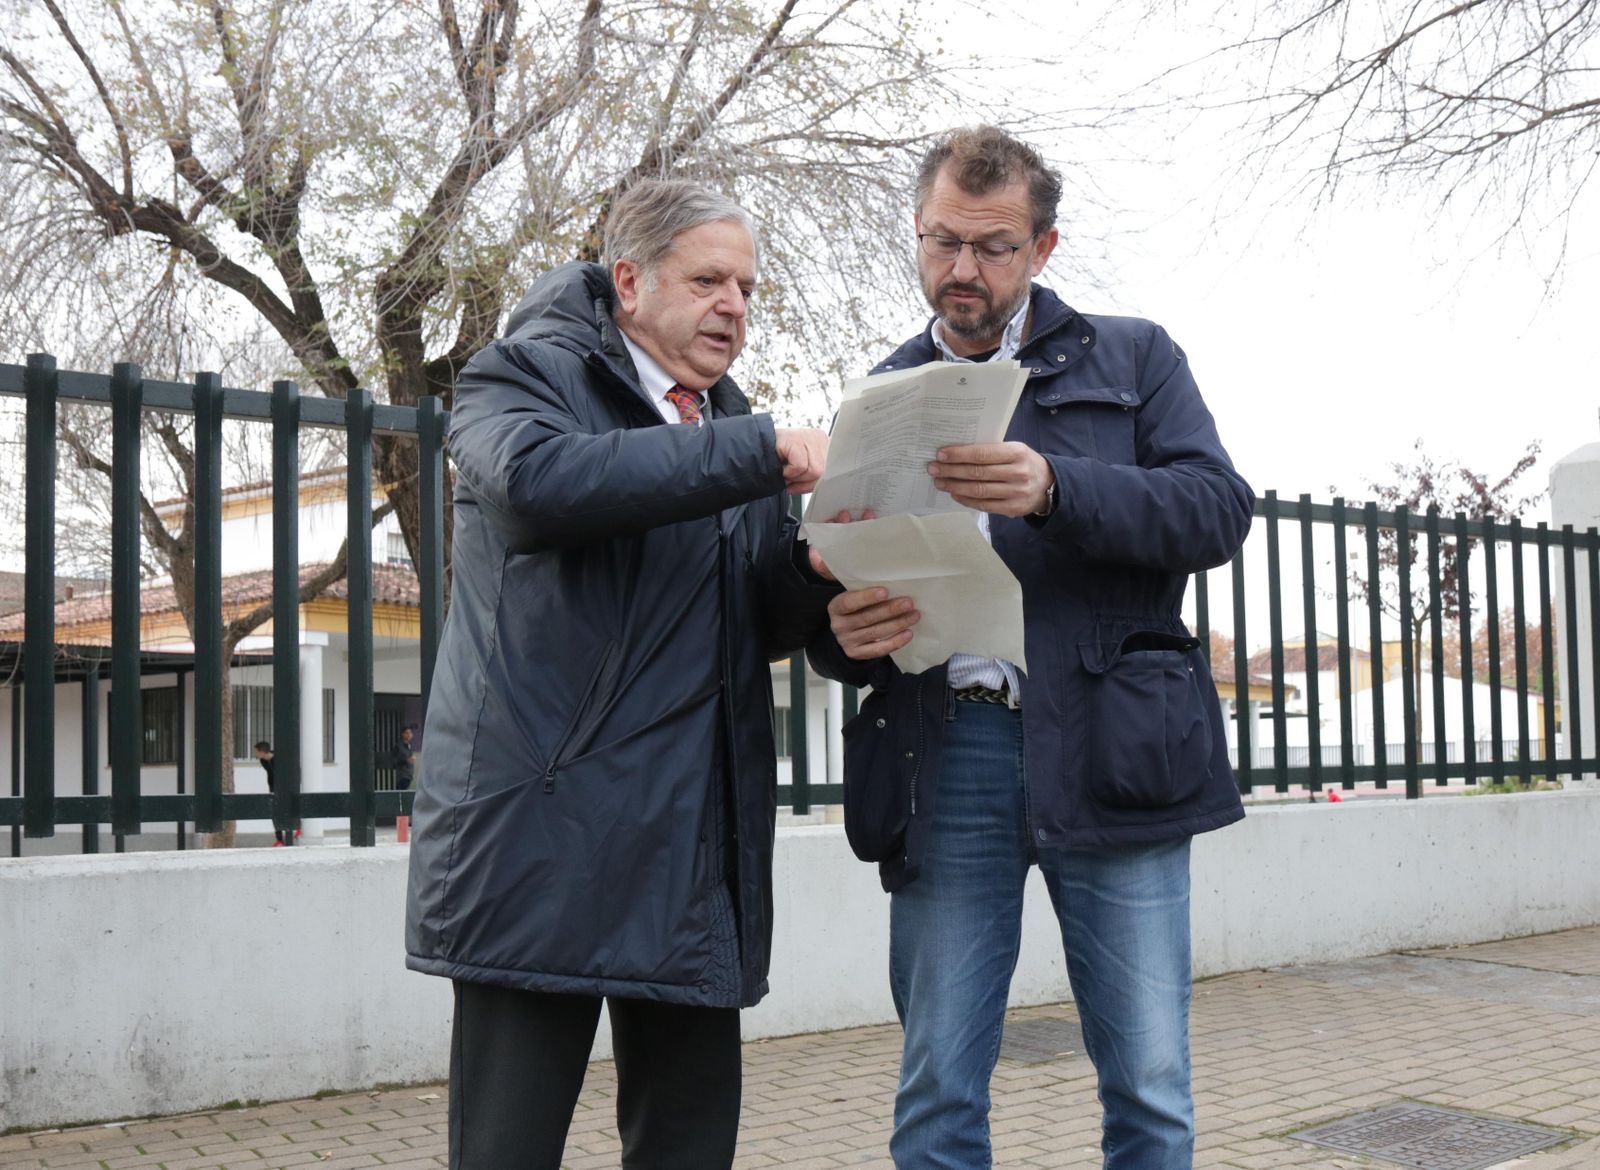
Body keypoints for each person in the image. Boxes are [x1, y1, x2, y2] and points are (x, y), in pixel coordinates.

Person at [806, 126, 1255, 1170]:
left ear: (1043, 249)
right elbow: (845, 578)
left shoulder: (1134, 356)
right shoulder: (880, 391)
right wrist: (843, 636)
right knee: (936, 1088)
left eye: (993, 246)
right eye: (941, 240)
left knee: (1147, 1084)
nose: (962, 269)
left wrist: (1059, 490)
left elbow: (1217, 514)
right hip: (943, 747)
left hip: (1110, 742)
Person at [405, 178, 837, 1170]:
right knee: (506, 1151)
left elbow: (748, 621)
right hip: (540, 843)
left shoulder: (727, 427)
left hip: (692, 848)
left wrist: (816, 571)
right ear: (631, 282)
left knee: (688, 1149)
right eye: (710, 279)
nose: (734, 304)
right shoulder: (516, 375)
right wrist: (755, 451)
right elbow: (536, 487)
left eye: (747, 287)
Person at [252, 741, 290, 847]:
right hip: (273, 789)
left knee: (288, 810)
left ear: (262, 752)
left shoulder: (279, 759)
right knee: (274, 813)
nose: (256, 754)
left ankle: (296, 830)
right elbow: (270, 774)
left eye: (257, 752)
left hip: (285, 789)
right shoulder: (263, 761)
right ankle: (279, 839)